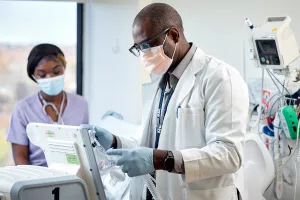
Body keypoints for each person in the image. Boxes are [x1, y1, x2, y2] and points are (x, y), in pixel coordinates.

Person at [88, 3, 249, 200]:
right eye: (138, 48)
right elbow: (150, 144)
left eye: (147, 45)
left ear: (173, 35)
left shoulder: (220, 77)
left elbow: (229, 154)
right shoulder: (161, 82)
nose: (143, 54)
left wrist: (161, 160)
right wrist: (115, 142)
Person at [7, 44, 89, 167]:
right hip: (37, 176)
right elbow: (20, 157)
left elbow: (85, 148)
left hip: (74, 174)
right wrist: (33, 183)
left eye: (56, 71)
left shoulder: (81, 104)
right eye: (42, 74)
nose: (51, 78)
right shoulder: (22, 109)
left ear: (64, 69)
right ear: (34, 76)